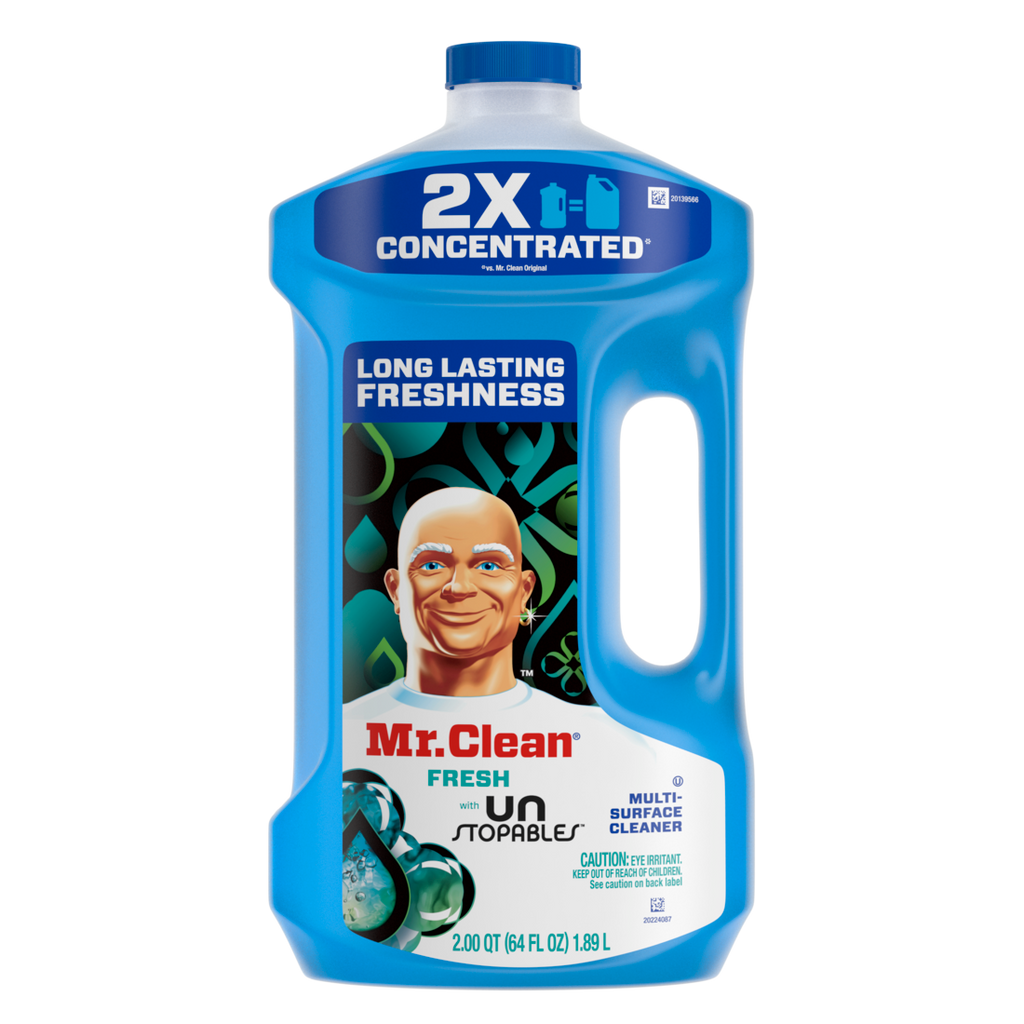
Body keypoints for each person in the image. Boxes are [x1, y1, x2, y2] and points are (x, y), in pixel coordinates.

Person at [383, 488, 536, 697]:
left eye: (489, 566)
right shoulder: (347, 717)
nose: (459, 588)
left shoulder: (576, 717)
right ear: (396, 590)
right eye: (432, 565)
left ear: (524, 591)